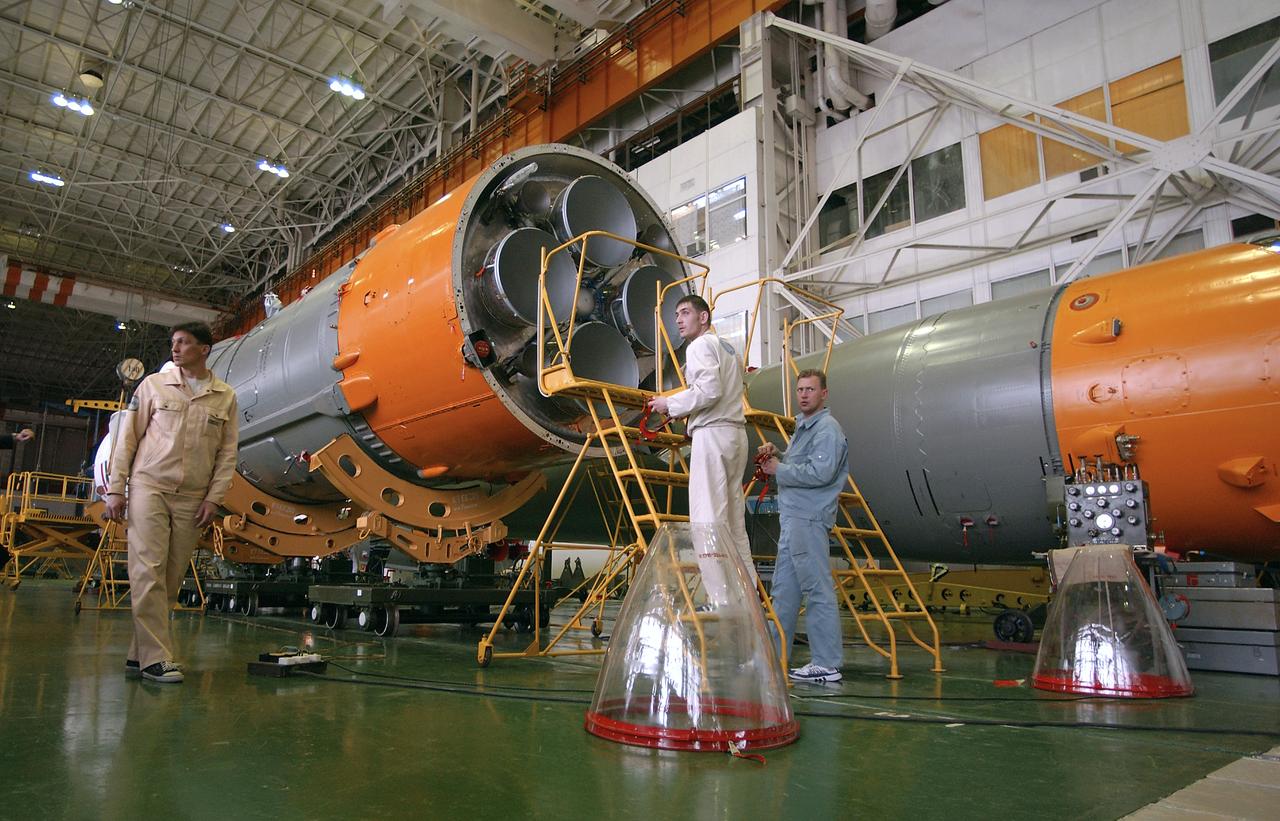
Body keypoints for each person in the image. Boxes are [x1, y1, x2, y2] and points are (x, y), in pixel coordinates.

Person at [104, 322, 238, 684]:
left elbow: (227, 454)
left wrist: (215, 498)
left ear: (205, 349)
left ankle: (139, 654)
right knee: (147, 572)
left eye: (184, 343)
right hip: (150, 487)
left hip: (193, 498)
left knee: (171, 577)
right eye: (173, 343)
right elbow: (127, 439)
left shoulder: (224, 396)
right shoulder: (153, 386)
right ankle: (156, 659)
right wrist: (116, 489)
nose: (175, 349)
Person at [648, 295, 754, 603]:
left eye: (685, 313)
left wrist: (670, 404)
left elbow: (708, 390)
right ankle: (746, 598)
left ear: (704, 317)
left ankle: (721, 602)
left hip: (712, 436)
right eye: (677, 314)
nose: (679, 320)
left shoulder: (699, 346)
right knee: (735, 525)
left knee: (707, 520)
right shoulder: (729, 349)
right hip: (735, 435)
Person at [758, 369, 849, 683]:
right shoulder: (804, 428)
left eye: (811, 389)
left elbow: (821, 472)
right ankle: (773, 654)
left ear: (824, 394)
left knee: (816, 588)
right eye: (800, 389)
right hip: (793, 519)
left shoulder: (827, 429)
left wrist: (779, 469)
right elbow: (803, 463)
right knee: (784, 591)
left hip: (808, 519)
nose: (804, 394)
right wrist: (779, 454)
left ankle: (826, 662)